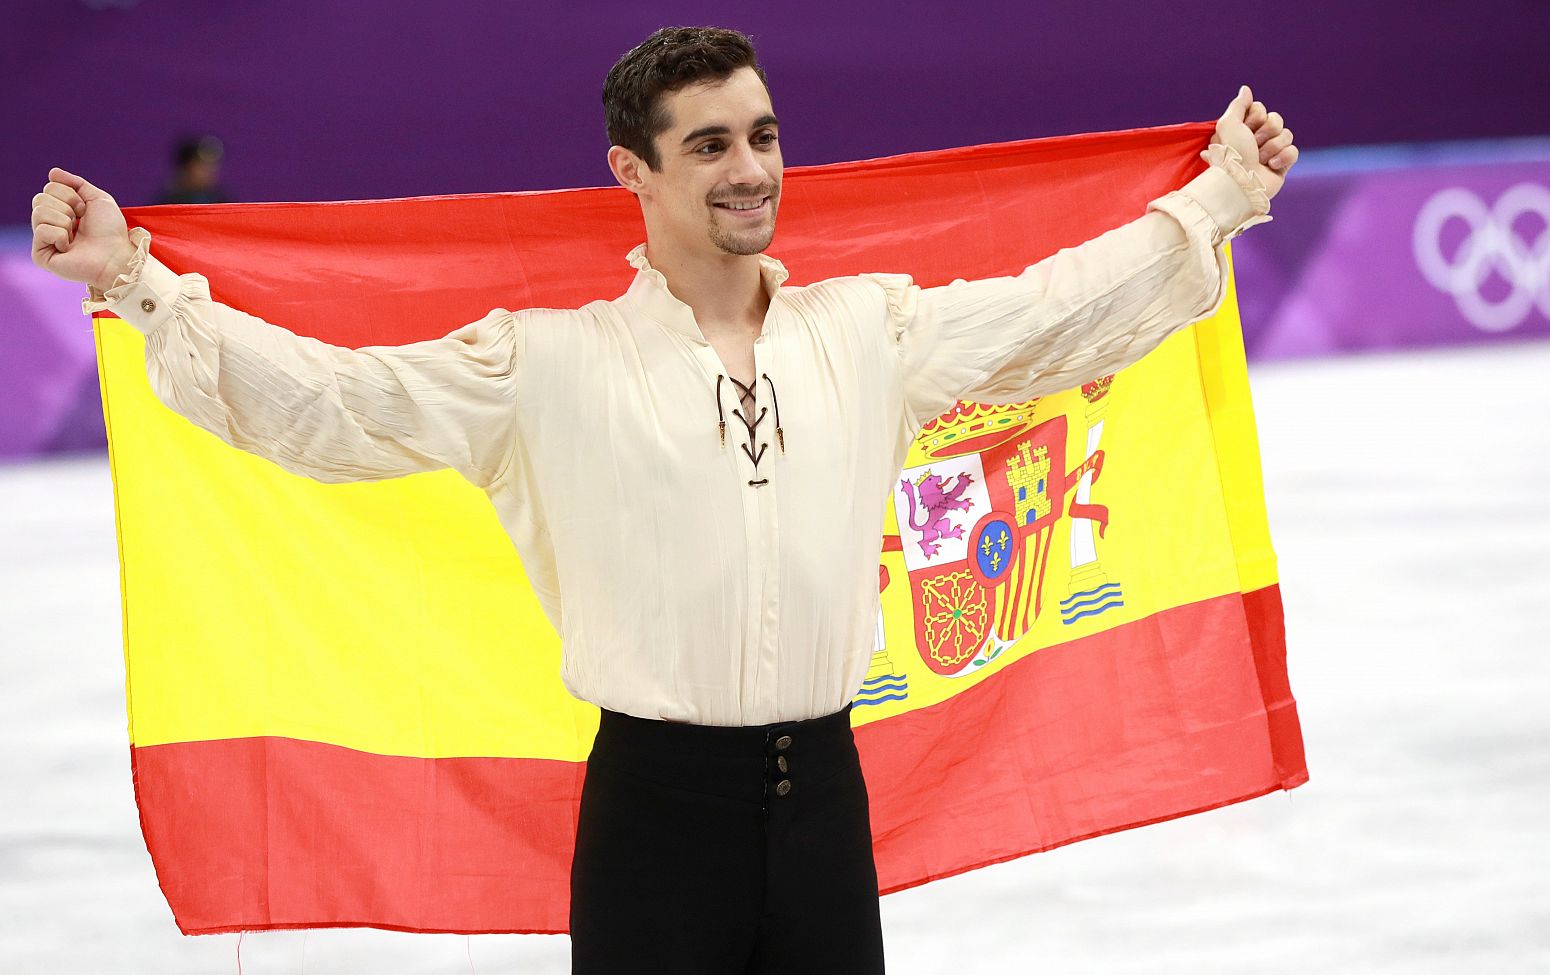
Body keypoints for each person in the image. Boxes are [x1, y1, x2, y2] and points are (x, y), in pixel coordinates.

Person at [29, 25, 1297, 975]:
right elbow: (334, 402)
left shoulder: (869, 332)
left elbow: (1050, 314)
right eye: (710, 146)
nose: (750, 169)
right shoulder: (544, 364)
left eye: (762, 137)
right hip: (651, 817)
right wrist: (137, 280)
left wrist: (1218, 198)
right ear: (631, 170)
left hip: (824, 812)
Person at [154, 135, 231, 205]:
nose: (210, 170)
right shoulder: (168, 203)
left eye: (211, 164)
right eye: (201, 165)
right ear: (186, 167)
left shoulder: (222, 202)